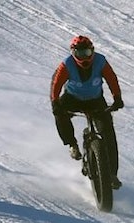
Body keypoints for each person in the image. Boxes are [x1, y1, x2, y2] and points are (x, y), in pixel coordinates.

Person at [50, 34, 124, 189]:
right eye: (79, 53)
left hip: (95, 100)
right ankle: (72, 144)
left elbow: (111, 78)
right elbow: (56, 83)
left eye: (87, 53)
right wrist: (55, 102)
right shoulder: (67, 64)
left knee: (108, 133)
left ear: (92, 51)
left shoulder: (100, 61)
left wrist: (117, 97)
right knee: (60, 115)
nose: (84, 57)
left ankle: (112, 175)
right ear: (73, 53)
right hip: (72, 99)